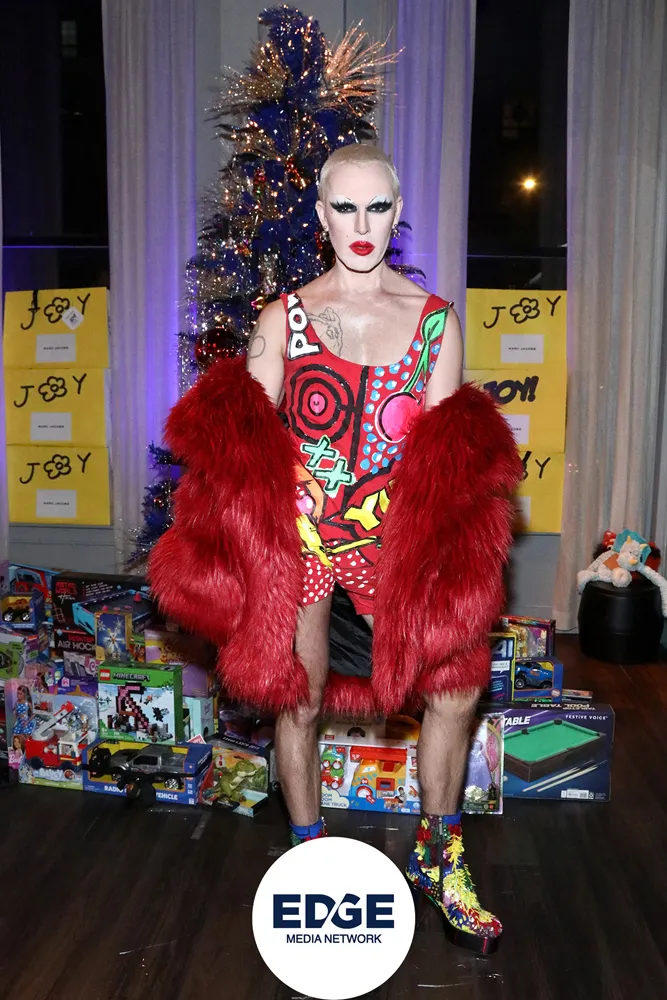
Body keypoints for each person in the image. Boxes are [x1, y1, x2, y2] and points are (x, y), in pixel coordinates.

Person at [150, 144, 522, 955]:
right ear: (320, 215)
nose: (361, 224)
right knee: (300, 697)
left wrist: (439, 554)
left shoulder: (433, 322)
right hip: (304, 536)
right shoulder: (282, 320)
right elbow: (242, 447)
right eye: (344, 207)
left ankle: (439, 856)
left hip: (394, 538)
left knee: (455, 688)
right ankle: (308, 856)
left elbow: (443, 461)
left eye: (376, 207)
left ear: (396, 213)